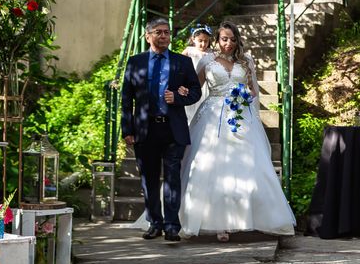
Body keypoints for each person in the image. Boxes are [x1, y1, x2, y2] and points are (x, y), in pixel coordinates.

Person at [178, 21, 295, 241]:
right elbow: (196, 87)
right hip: (212, 119)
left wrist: (245, 96)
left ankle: (241, 220)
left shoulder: (246, 60)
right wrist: (182, 92)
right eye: (224, 39)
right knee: (210, 167)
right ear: (217, 40)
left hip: (241, 116)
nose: (228, 43)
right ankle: (216, 223)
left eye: (232, 39)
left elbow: (252, 90)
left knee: (247, 168)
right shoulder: (207, 60)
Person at [121, 17, 202, 242]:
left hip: (173, 129)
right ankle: (154, 223)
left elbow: (196, 91)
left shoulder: (182, 63)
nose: (164, 36)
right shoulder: (135, 62)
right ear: (148, 36)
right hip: (144, 130)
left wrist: (177, 97)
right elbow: (126, 98)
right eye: (159, 32)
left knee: (172, 178)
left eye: (167, 32)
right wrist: (127, 129)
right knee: (149, 178)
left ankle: (172, 226)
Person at [182, 24, 213, 124]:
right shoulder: (189, 51)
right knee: (190, 110)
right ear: (193, 39)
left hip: (206, 86)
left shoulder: (211, 53)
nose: (203, 44)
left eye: (206, 41)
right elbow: (179, 66)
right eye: (200, 41)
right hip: (191, 84)